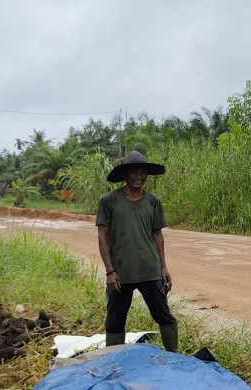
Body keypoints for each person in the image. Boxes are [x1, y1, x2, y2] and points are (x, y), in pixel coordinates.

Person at [97, 151, 178, 352]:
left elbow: (157, 234)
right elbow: (102, 236)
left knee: (163, 315)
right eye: (134, 172)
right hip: (120, 274)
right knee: (115, 320)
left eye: (143, 172)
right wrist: (110, 271)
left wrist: (163, 267)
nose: (139, 176)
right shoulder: (109, 200)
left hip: (150, 270)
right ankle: (112, 362)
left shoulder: (153, 201)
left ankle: (173, 358)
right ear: (125, 174)